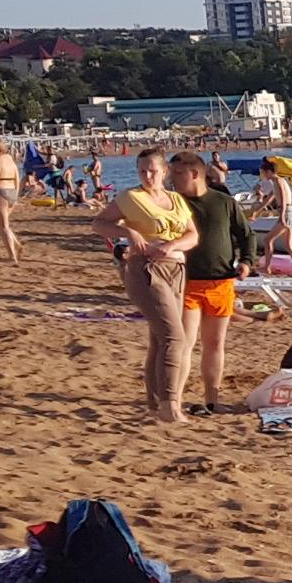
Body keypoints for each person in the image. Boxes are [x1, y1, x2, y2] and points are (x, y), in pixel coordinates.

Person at [95, 149, 199, 425]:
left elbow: (192, 235)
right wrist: (128, 232)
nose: (147, 175)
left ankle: (154, 403)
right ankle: (170, 404)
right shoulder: (131, 198)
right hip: (145, 270)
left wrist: (172, 244)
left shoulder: (176, 199)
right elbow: (100, 224)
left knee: (159, 338)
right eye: (142, 171)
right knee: (174, 337)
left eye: (152, 170)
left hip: (176, 268)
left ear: (164, 171)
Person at [170, 156, 255, 413]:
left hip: (221, 282)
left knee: (215, 343)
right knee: (185, 342)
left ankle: (212, 399)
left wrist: (247, 261)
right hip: (187, 283)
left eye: (178, 174)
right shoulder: (173, 203)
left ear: (195, 174)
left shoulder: (224, 202)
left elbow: (246, 234)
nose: (172, 179)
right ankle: (174, 399)